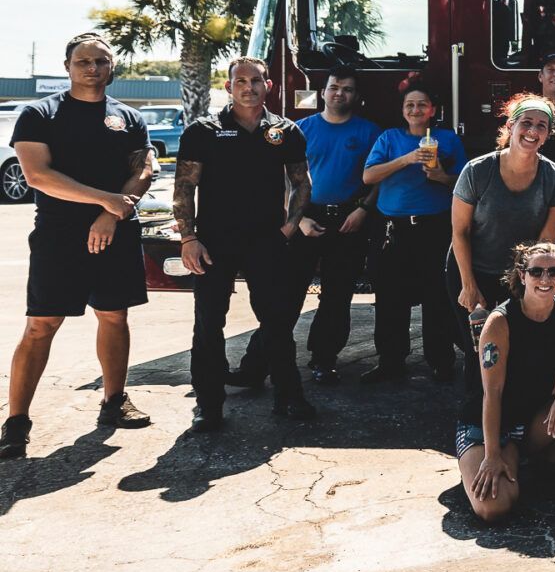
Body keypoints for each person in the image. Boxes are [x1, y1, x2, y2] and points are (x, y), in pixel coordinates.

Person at [2, 32, 156, 458]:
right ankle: (16, 423)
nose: (92, 68)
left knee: (113, 315)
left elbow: (143, 170)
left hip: (116, 230)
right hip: (59, 234)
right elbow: (38, 176)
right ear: (68, 66)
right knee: (41, 325)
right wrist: (103, 199)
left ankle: (113, 401)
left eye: (100, 61)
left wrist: (111, 214)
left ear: (112, 67)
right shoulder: (40, 113)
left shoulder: (129, 117)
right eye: (83, 61)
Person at [175, 57, 315, 429]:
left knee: (277, 322)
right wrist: (188, 237)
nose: (248, 87)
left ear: (269, 86)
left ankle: (289, 397)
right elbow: (185, 186)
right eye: (241, 81)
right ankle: (209, 405)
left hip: (266, 241)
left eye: (256, 81)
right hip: (213, 242)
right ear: (228, 86)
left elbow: (302, 181)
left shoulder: (285, 132)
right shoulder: (202, 131)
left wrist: (289, 227)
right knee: (208, 324)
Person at [457, 242, 555, 522]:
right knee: (492, 508)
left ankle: (540, 465)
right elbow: (492, 394)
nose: (545, 279)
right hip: (487, 425)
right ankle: (498, 462)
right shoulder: (499, 322)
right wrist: (492, 456)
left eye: (553, 272)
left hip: (531, 420)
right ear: (522, 275)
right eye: (536, 271)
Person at [252, 68, 377, 387]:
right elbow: (279, 179)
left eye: (347, 89)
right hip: (306, 219)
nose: (339, 94)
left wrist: (363, 210)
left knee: (337, 297)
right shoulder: (299, 129)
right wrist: (299, 219)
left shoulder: (369, 132)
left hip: (349, 221)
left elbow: (380, 178)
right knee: (285, 294)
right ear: (322, 92)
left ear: (356, 96)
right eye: (334, 87)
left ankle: (324, 361)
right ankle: (256, 364)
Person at [450, 94, 555, 368]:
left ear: (548, 134)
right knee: (480, 353)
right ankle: (477, 410)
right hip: (472, 268)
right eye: (526, 122)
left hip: (521, 274)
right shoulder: (477, 170)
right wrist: (469, 285)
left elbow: (546, 241)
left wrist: (531, 282)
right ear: (510, 126)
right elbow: (460, 232)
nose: (532, 130)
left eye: (541, 125)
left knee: (517, 349)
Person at [361, 78, 466, 384]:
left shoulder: (447, 140)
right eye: (410, 105)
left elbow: (464, 182)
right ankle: (391, 361)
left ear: (432, 109)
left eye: (422, 104)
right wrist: (406, 159)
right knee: (390, 298)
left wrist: (441, 176)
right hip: (393, 229)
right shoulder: (389, 139)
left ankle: (440, 360)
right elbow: (368, 176)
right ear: (403, 110)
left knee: (438, 297)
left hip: (434, 227)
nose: (416, 109)